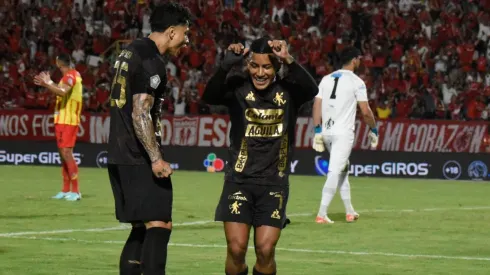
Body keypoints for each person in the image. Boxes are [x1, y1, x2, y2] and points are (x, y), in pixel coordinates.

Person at [202, 37, 318, 275]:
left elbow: (312, 89)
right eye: (255, 66)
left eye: (267, 66)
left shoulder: (289, 91)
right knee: (236, 249)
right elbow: (210, 96)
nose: (260, 72)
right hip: (239, 181)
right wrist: (226, 65)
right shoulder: (238, 87)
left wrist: (288, 58)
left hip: (274, 183)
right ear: (248, 65)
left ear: (276, 67)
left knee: (265, 250)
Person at [106, 3, 192, 275]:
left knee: (141, 226)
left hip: (119, 152)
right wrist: (155, 159)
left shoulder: (130, 50)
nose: (186, 39)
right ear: (170, 32)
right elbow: (140, 112)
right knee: (159, 224)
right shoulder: (152, 61)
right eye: (184, 33)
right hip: (137, 155)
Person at [312, 46, 379, 224]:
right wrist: (373, 129)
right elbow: (365, 111)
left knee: (343, 169)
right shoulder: (357, 82)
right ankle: (321, 213)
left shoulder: (326, 79)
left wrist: (317, 130)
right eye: (359, 59)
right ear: (355, 60)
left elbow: (316, 105)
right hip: (343, 133)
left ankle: (349, 211)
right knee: (335, 170)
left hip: (326, 132)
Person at [33, 54, 83, 201]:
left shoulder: (71, 75)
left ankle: (76, 191)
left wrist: (47, 83)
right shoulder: (67, 77)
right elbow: (60, 89)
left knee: (67, 153)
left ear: (59, 64)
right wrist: (48, 83)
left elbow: (62, 91)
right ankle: (66, 189)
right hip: (62, 119)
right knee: (63, 155)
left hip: (69, 120)